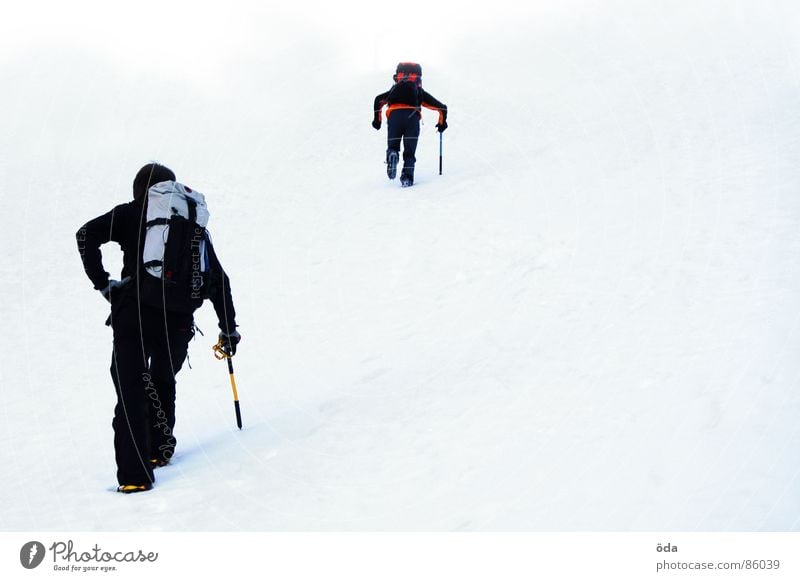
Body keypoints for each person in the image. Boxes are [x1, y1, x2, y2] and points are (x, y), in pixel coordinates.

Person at [76, 163, 240, 493]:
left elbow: (85, 236)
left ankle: (136, 476)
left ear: (140, 190)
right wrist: (228, 330)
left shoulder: (130, 213)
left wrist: (104, 284)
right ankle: (159, 450)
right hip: (178, 319)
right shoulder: (191, 226)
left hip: (134, 311)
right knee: (162, 378)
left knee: (132, 388)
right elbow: (218, 280)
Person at [372, 62, 448, 187]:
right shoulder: (418, 91)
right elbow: (442, 108)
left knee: (393, 145)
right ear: (418, 78)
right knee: (409, 152)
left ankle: (393, 153)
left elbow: (378, 100)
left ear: (398, 76)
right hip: (412, 118)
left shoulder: (394, 90)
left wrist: (377, 121)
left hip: (394, 116)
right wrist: (442, 123)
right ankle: (407, 177)